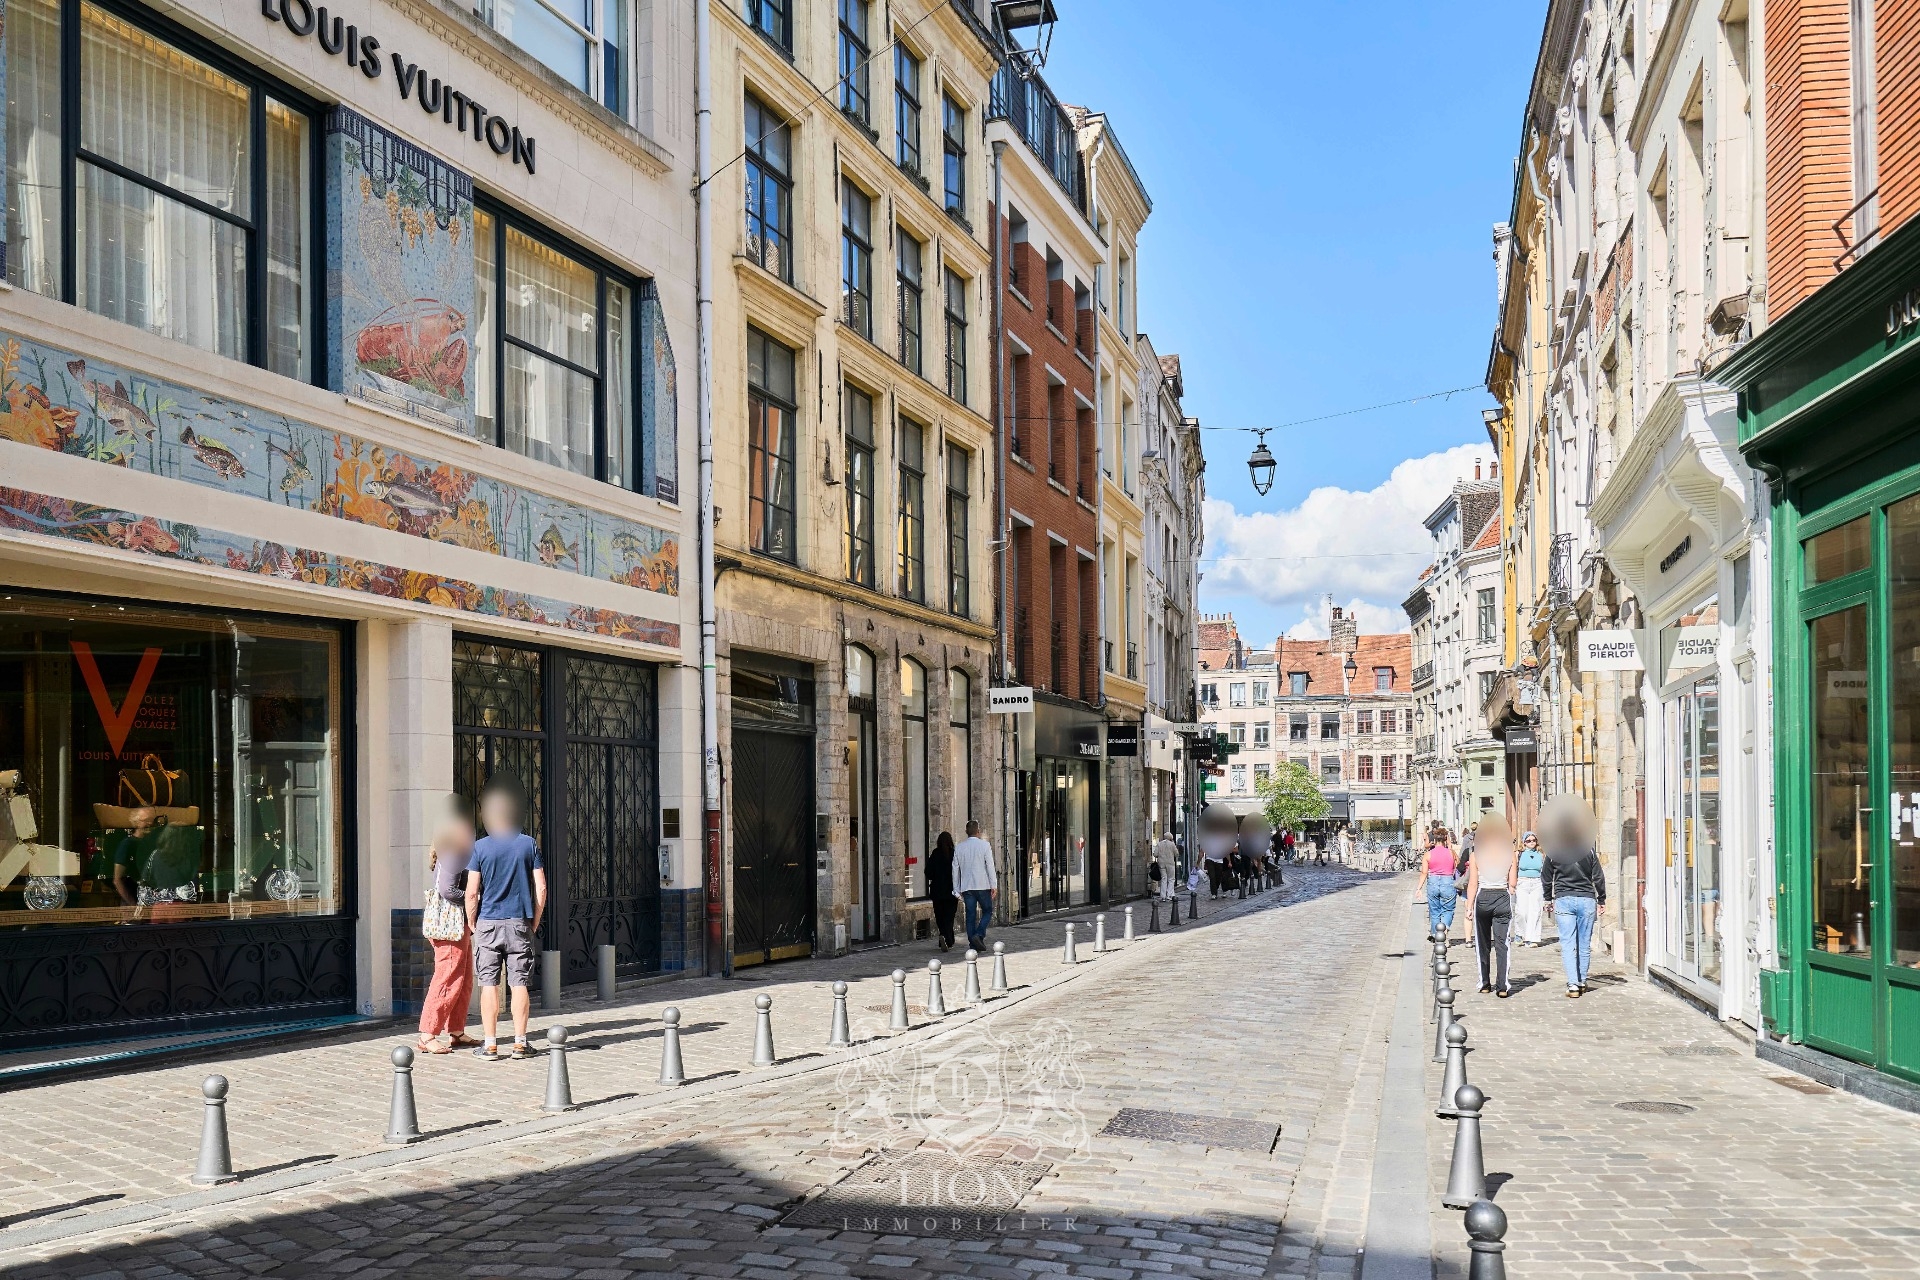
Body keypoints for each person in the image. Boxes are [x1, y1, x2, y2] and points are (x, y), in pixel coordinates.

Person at [464, 780, 547, 1061]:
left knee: (488, 983)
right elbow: (542, 888)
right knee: (519, 981)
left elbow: (472, 892)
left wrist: (473, 922)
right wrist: (533, 921)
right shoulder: (528, 844)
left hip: (488, 922)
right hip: (519, 922)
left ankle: (489, 1044)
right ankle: (521, 1043)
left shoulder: (480, 847)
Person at [418, 802, 480, 1054]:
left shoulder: (453, 851)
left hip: (455, 923)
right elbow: (447, 890)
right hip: (451, 924)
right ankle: (427, 1034)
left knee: (463, 978)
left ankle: (456, 1030)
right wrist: (472, 896)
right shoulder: (454, 853)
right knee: (448, 977)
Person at [1540, 796, 1606, 997]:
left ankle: (1573, 985)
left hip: (1564, 898)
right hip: (1586, 898)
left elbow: (1546, 876)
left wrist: (1547, 898)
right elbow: (1598, 876)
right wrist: (1601, 899)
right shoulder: (1589, 850)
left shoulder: (1554, 850)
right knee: (1584, 943)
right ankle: (1583, 980)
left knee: (1568, 943)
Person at [1465, 813, 1518, 997]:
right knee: (1503, 943)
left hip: (1483, 897)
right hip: (1502, 896)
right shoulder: (1510, 855)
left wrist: (1469, 906)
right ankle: (1502, 986)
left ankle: (1485, 983)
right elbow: (1512, 883)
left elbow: (1473, 883)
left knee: (1483, 943)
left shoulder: (1476, 855)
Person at [953, 820, 997, 951]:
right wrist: (993, 884)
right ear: (978, 831)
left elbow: (955, 869)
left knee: (970, 915)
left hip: (967, 886)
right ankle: (979, 934)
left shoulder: (959, 847)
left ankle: (973, 944)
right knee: (988, 911)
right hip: (982, 884)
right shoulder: (984, 845)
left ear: (966, 832)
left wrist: (956, 888)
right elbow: (990, 865)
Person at [1423, 825, 1458, 943]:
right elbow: (1457, 868)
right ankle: (1444, 934)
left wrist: (1418, 888)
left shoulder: (1428, 854)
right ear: (1445, 839)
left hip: (1432, 882)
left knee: (1434, 911)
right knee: (1447, 910)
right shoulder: (1451, 853)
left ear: (1434, 839)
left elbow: (1423, 872)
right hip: (1448, 881)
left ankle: (1435, 934)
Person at [1514, 830, 1546, 946]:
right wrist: (1512, 884)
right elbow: (1513, 868)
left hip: (1537, 882)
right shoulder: (1519, 854)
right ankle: (1519, 933)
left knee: (1535, 911)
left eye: (1534, 840)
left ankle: (1532, 938)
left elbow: (1544, 870)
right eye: (1529, 840)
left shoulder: (1541, 854)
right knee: (1521, 911)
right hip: (1522, 882)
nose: (1532, 842)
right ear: (1524, 842)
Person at [928, 830, 957, 951]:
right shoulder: (954, 854)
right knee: (949, 916)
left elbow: (928, 872)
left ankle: (945, 937)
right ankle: (947, 938)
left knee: (940, 916)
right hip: (951, 891)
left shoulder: (935, 854)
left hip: (937, 891)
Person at [1153, 829, 1178, 899]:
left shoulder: (1159, 844)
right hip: (1170, 863)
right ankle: (1169, 895)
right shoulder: (1172, 844)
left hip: (1161, 863)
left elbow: (1155, 854)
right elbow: (1177, 854)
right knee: (1171, 879)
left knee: (1163, 879)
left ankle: (1163, 895)